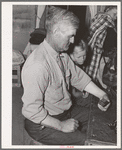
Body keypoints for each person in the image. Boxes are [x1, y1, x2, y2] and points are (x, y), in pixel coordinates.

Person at [21, 6, 110, 145]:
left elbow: (79, 77)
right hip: (42, 123)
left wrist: (102, 95)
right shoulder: (37, 66)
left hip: (64, 111)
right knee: (90, 142)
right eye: (70, 35)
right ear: (56, 32)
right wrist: (62, 126)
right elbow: (31, 110)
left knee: (99, 118)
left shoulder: (62, 54)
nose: (73, 40)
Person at [86, 5, 117, 89]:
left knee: (98, 70)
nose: (115, 17)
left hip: (105, 51)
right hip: (101, 50)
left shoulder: (106, 21)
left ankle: (98, 86)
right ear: (107, 10)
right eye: (114, 14)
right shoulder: (105, 19)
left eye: (117, 15)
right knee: (98, 69)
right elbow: (92, 30)